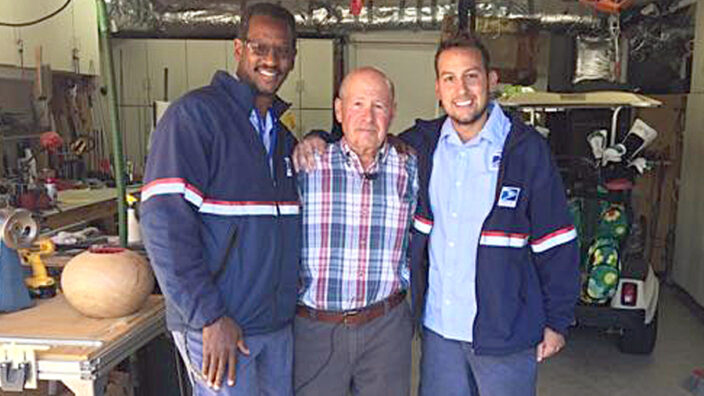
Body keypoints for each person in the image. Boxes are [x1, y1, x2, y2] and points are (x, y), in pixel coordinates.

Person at [293, 34, 580, 396]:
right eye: (449, 78)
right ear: (438, 89)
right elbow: (364, 137)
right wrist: (318, 137)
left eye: (471, 76)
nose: (461, 89)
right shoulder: (421, 146)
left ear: (491, 81)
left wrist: (557, 320)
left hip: (507, 333)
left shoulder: (526, 151)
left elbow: (556, 240)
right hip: (440, 333)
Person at [140, 4, 300, 395]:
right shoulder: (195, 117)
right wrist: (209, 317)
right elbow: (162, 224)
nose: (271, 60)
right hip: (220, 329)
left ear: (293, 59)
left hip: (274, 327)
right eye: (260, 47)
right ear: (238, 49)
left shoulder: (282, 140)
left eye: (282, 50)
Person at [294, 67, 418, 396]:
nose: (368, 116)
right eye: (358, 104)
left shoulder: (411, 167)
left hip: (386, 327)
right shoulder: (308, 164)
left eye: (379, 106)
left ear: (392, 112)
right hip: (316, 328)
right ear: (338, 110)